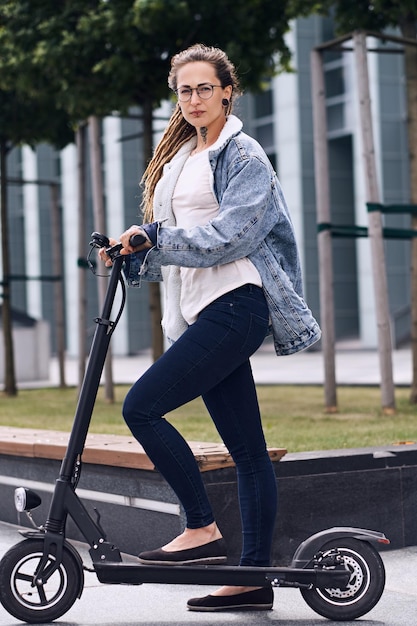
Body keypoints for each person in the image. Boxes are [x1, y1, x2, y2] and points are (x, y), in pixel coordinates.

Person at [99, 43, 321, 612]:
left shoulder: (243, 155)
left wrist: (159, 238)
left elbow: (233, 235)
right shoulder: (182, 157)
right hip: (201, 309)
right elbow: (175, 230)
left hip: (237, 304)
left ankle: (201, 527)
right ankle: (251, 579)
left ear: (227, 90)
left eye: (204, 88)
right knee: (248, 452)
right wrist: (134, 242)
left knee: (141, 407)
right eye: (184, 90)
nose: (194, 99)